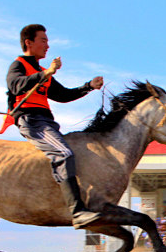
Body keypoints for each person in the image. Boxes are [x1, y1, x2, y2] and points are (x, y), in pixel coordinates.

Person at [6, 24, 105, 229]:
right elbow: (16, 85)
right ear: (29, 42)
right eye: (43, 40)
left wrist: (89, 86)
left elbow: (62, 95)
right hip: (31, 121)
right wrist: (47, 73)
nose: (48, 45)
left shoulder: (43, 71)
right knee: (64, 153)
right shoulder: (19, 65)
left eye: (47, 41)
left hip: (47, 122)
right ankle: (77, 212)